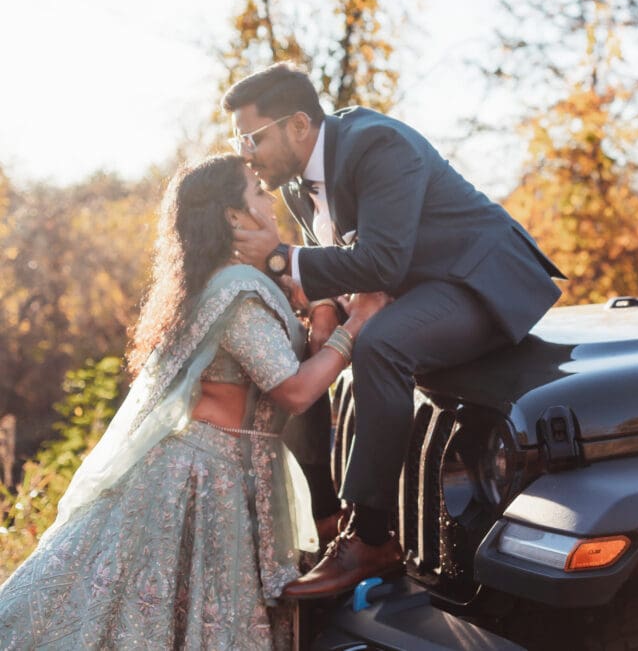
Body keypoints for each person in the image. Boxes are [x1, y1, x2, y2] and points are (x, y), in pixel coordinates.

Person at [0, 154, 389, 649]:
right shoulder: (237, 294)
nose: (270, 199)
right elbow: (295, 390)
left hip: (227, 474)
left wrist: (323, 308)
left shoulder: (242, 283)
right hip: (201, 481)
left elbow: (304, 362)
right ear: (234, 216)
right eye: (257, 191)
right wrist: (359, 322)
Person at [222, 63, 565, 599]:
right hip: (413, 286)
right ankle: (326, 515)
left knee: (381, 345)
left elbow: (380, 261)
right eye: (238, 140)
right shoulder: (294, 185)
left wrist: (279, 257)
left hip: (478, 280)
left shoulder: (377, 144)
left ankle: (371, 538)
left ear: (297, 125)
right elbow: (340, 260)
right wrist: (324, 308)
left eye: (253, 137)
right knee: (299, 346)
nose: (246, 153)